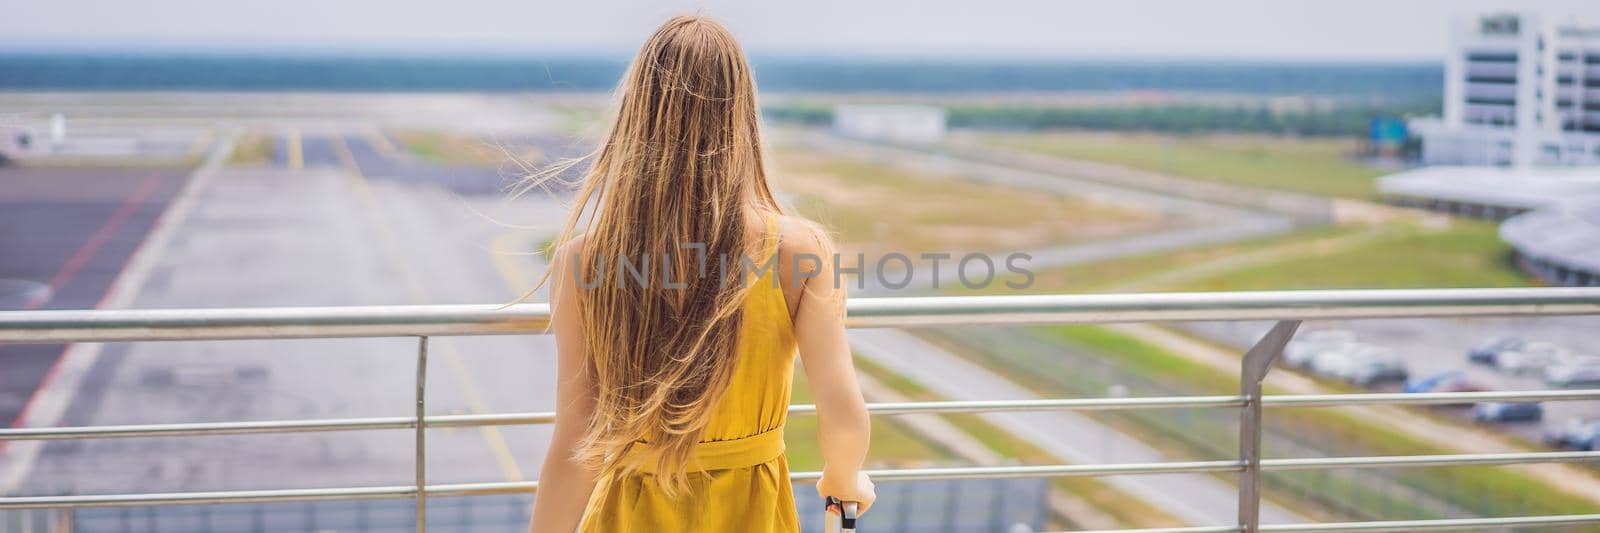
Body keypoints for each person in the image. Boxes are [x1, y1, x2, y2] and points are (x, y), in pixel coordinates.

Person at [526, 14, 876, 533]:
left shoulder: (584, 261)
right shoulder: (799, 251)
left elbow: (577, 437)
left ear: (637, 116)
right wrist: (845, 481)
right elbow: (842, 408)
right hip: (753, 512)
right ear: (742, 118)